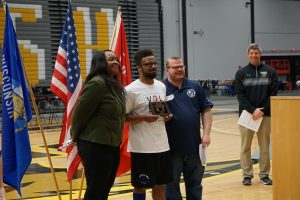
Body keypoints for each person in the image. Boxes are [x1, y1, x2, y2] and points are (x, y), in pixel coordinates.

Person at [70, 50, 125, 200]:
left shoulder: (114, 86)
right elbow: (79, 114)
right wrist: (75, 137)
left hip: (111, 145)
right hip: (95, 145)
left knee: (104, 189)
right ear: (100, 63)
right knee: (96, 190)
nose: (116, 62)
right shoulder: (97, 83)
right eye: (111, 59)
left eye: (116, 60)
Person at [162, 56, 213, 200]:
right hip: (170, 149)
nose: (179, 69)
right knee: (171, 187)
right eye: (175, 67)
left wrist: (206, 134)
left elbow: (206, 110)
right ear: (167, 70)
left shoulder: (194, 87)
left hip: (194, 147)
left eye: (181, 66)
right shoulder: (161, 88)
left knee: (195, 186)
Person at [125, 49, 173, 200]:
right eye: (148, 64)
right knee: (140, 186)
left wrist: (166, 116)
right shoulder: (130, 90)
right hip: (141, 148)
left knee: (160, 185)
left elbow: (161, 109)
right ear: (139, 67)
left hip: (162, 145)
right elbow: (123, 118)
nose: (152, 66)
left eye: (154, 63)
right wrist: (143, 117)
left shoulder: (161, 86)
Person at [234, 43, 278, 186]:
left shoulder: (271, 72)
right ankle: (247, 175)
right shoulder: (241, 73)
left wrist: (263, 110)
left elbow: (273, 94)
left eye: (256, 53)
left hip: (265, 115)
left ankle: (264, 175)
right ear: (248, 55)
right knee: (245, 147)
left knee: (264, 147)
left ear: (260, 54)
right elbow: (240, 96)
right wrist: (253, 110)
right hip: (247, 115)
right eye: (251, 53)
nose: (254, 55)